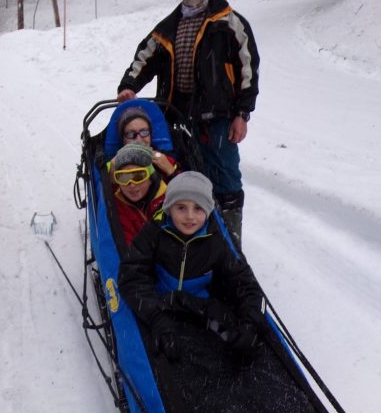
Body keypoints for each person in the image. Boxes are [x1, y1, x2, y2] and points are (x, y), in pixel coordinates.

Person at [119, 172, 315, 412]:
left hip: (200, 311)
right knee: (170, 365)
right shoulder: (154, 234)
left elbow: (245, 283)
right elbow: (131, 276)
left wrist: (251, 324)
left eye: (198, 209)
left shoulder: (216, 242)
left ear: (208, 211)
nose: (190, 216)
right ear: (169, 209)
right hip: (163, 309)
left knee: (234, 360)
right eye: (181, 207)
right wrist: (155, 317)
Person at [116, 0, 260, 246]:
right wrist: (129, 86)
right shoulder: (167, 28)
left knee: (225, 181)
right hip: (174, 117)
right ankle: (185, 243)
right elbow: (143, 59)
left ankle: (230, 247)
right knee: (178, 179)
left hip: (218, 119)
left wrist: (242, 113)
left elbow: (248, 70)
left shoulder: (229, 22)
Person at [111, 143, 167, 247]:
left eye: (138, 176)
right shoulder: (118, 206)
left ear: (151, 178)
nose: (132, 184)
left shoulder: (168, 199)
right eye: (123, 177)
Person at [116, 106, 178, 181]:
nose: (139, 139)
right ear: (123, 139)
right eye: (131, 134)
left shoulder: (166, 160)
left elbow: (186, 189)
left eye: (144, 132)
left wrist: (171, 171)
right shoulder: (114, 167)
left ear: (150, 135)